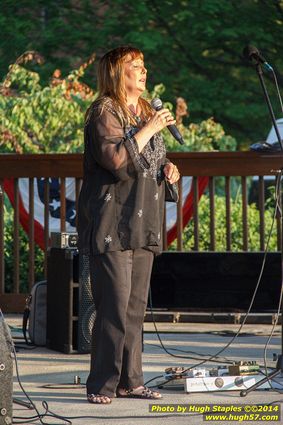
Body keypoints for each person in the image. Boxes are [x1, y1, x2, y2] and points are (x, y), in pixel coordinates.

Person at [78, 45, 180, 404]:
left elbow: (153, 159)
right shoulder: (104, 112)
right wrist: (150, 127)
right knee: (114, 307)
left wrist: (169, 169)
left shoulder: (145, 110)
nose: (143, 70)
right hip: (111, 222)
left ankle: (130, 381)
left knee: (135, 309)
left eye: (143, 65)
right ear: (115, 74)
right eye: (134, 66)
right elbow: (118, 162)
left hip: (142, 220)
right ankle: (102, 384)